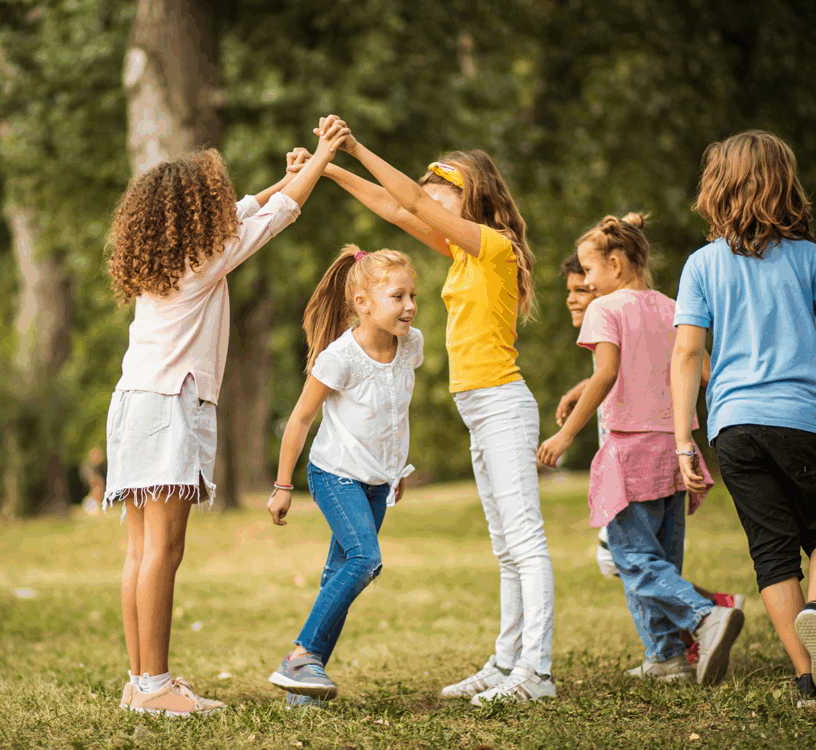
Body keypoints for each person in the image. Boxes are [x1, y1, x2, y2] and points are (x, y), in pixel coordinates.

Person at [290, 117, 556, 703]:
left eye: (444, 186)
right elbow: (396, 208)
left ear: (471, 196)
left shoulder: (493, 247)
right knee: (505, 545)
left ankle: (535, 672)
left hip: (503, 404)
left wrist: (357, 145)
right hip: (480, 409)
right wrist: (327, 166)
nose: (429, 192)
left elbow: (407, 199)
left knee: (525, 541)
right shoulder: (465, 256)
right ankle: (506, 662)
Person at [102, 121, 352, 717]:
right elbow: (281, 213)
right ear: (195, 215)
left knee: (140, 551)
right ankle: (156, 686)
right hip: (169, 405)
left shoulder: (167, 260)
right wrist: (320, 156)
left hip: (133, 401)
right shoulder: (206, 257)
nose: (227, 206)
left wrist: (288, 176)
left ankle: (141, 682)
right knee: (165, 549)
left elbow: (254, 206)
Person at [537, 213, 744, 686]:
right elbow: (703, 369)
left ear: (614, 263)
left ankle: (705, 615)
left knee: (632, 558)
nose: (585, 283)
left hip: (630, 451)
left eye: (588, 272)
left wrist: (566, 433)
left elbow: (609, 371)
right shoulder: (671, 305)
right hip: (675, 450)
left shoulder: (603, 308)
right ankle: (666, 657)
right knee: (662, 560)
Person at [671, 130, 816, 707]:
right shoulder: (809, 259)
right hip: (803, 417)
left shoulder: (701, 265)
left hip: (733, 426)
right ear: (786, 185)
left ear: (716, 190)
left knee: (772, 551)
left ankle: (807, 678)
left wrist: (685, 441)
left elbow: (685, 354)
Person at [265, 243, 422, 709]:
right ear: (363, 304)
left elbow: (393, 413)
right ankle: (300, 657)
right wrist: (282, 486)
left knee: (340, 573)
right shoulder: (341, 357)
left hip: (376, 481)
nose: (410, 306)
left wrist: (397, 468)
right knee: (364, 561)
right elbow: (299, 419)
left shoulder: (410, 345)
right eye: (398, 296)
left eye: (413, 295)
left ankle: (303, 689)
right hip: (334, 475)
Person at [80, 447, 106, 515]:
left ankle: (93, 505)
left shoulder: (90, 466)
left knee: (99, 487)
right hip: (89, 473)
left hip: (90, 472)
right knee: (98, 487)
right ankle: (89, 505)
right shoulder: (89, 465)